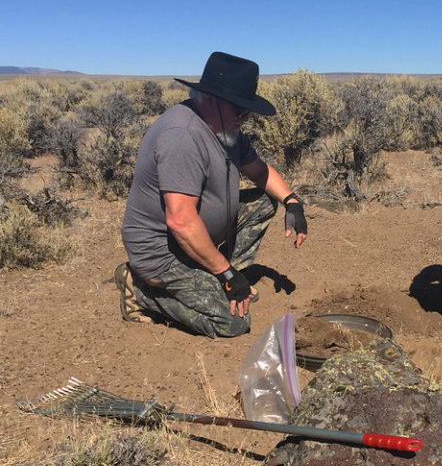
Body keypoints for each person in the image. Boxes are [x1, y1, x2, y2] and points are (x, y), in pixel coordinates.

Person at [115, 51, 307, 338]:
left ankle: (223, 277)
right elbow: (180, 221)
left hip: (192, 238)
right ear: (211, 99)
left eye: (248, 109)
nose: (246, 117)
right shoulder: (182, 135)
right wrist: (226, 274)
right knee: (234, 324)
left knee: (265, 201)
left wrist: (293, 202)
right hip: (161, 252)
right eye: (239, 109)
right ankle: (140, 290)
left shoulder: (226, 128)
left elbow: (259, 171)